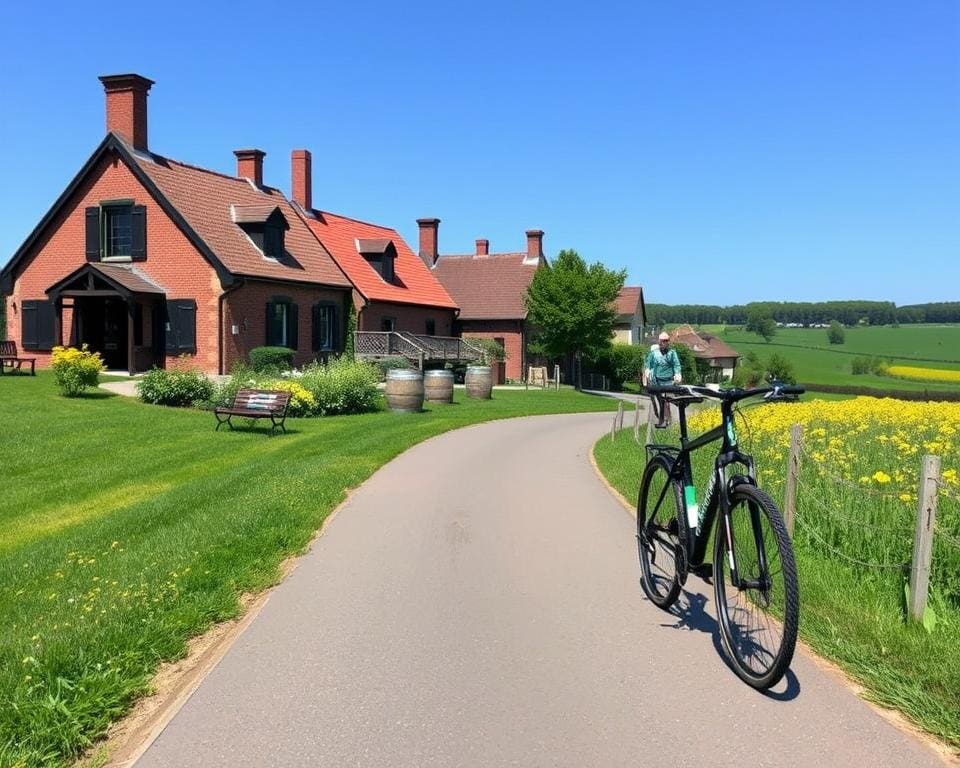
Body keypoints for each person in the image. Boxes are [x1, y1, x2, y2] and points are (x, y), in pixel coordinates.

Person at [643, 332, 682, 427]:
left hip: (668, 381)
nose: (663, 343)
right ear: (659, 342)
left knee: (665, 401)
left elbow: (676, 364)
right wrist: (647, 371)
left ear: (668, 342)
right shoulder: (654, 353)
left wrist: (677, 373)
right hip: (657, 381)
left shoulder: (672, 353)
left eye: (665, 341)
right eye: (661, 341)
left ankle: (665, 421)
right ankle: (665, 420)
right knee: (661, 401)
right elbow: (648, 363)